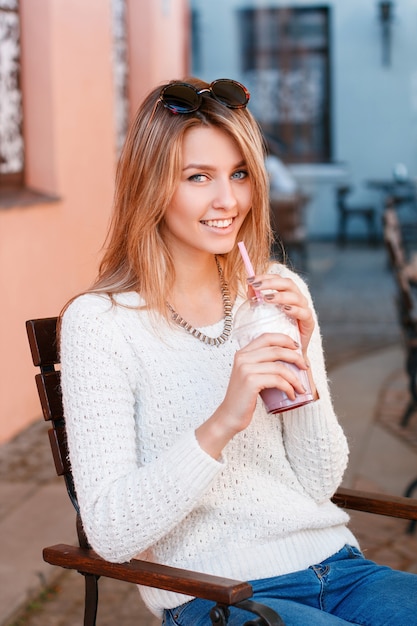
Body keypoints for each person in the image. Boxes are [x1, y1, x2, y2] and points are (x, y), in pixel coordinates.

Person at [60, 77, 417, 625]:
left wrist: (306, 355)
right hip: (220, 596)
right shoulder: (102, 324)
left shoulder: (274, 289)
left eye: (240, 174)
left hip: (339, 570)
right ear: (150, 185)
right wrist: (225, 418)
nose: (228, 201)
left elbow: (319, 481)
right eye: (198, 177)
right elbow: (110, 532)